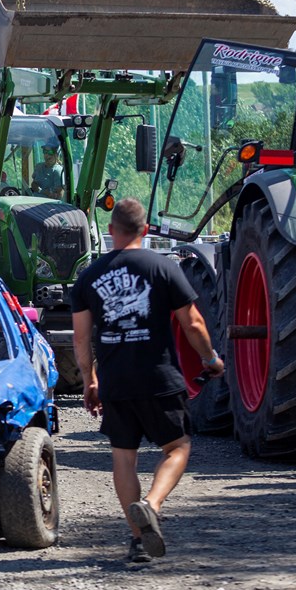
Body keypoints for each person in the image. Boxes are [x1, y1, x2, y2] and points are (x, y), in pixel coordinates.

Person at [71, 198, 223, 563]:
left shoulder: (89, 276)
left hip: (116, 381)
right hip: (159, 377)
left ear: (112, 231)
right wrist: (210, 359)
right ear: (146, 229)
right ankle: (152, 504)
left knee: (124, 459)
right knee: (178, 447)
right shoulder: (163, 267)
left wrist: (90, 381)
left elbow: (80, 339)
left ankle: (138, 540)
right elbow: (193, 323)